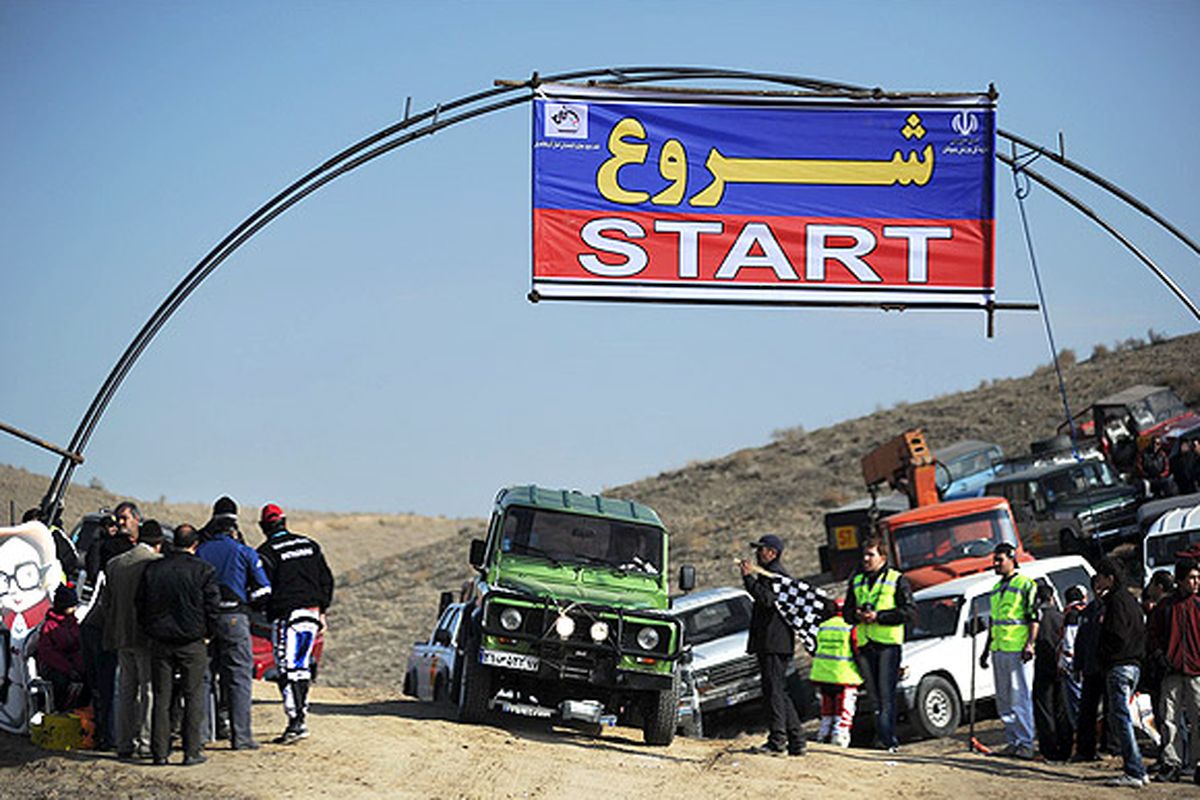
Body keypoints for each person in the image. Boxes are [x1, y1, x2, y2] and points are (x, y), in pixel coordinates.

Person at [137, 524, 221, 767]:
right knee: (193, 695)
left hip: (160, 641)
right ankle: (191, 751)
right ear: (195, 544)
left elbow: (140, 605)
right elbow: (212, 607)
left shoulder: (154, 569)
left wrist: (150, 630)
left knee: (162, 698)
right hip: (192, 642)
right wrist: (209, 634)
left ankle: (159, 753)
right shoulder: (204, 570)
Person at [196, 496, 271, 751]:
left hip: (205, 621)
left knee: (204, 677)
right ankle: (241, 737)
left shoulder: (201, 550)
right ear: (234, 527)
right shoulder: (244, 551)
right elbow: (264, 589)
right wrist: (248, 602)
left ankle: (202, 735)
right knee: (239, 677)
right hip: (235, 617)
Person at [256, 503, 334, 745]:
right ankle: (300, 717)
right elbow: (326, 580)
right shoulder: (309, 545)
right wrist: (322, 610)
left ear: (263, 527)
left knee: (287, 667)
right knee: (300, 665)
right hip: (311, 615)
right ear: (284, 522)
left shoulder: (267, 552)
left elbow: (262, 589)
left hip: (287, 616)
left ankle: (296, 720)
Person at [842, 536, 914, 753]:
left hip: (888, 645)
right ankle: (882, 738)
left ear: (882, 557)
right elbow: (846, 613)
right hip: (866, 645)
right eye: (864, 555)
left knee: (885, 695)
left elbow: (909, 612)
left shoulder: (896, 579)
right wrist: (857, 615)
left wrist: (879, 616)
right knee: (874, 697)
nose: (865, 559)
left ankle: (888, 740)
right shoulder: (856, 580)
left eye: (870, 555)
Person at [103, 518, 164, 760]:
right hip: (145, 637)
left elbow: (106, 603)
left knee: (126, 690)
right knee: (148, 690)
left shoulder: (115, 564)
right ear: (158, 543)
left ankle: (124, 742)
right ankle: (145, 742)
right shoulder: (155, 564)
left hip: (120, 635)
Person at [979, 542, 1038, 760]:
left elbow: (1033, 618)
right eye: (994, 560)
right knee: (1004, 699)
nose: (995, 564)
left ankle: (1025, 743)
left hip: (1017, 650)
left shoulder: (1025, 584)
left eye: (999, 560)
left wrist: (1030, 644)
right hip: (999, 649)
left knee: (1019, 697)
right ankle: (1013, 741)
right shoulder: (996, 589)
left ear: (1012, 559)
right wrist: (986, 651)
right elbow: (994, 622)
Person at [1094, 558, 1148, 788]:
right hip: (1133, 665)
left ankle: (1134, 770)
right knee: (1122, 719)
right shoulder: (1131, 601)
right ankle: (1136, 769)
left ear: (1110, 578)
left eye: (1100, 576)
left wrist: (1104, 655)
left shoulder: (1116, 603)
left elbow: (1117, 636)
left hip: (1120, 666)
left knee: (1122, 721)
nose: (1097, 580)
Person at [1147, 557, 1200, 784]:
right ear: (1180, 580)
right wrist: (1161, 657)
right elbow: (1152, 636)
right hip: (1172, 671)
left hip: (1197, 670)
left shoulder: (1198, 604)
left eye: (1198, 578)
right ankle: (1172, 762)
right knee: (1169, 718)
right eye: (1191, 578)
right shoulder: (1165, 607)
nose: (1196, 582)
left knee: (1199, 719)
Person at [810, 598, 861, 748]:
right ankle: (840, 735)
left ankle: (824, 734)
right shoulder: (850, 627)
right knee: (844, 708)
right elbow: (857, 650)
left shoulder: (823, 627)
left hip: (823, 675)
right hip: (844, 675)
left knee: (827, 708)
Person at [35, 584, 90, 711]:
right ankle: (58, 711)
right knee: (61, 681)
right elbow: (47, 653)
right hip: (55, 667)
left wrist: (79, 667)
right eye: (72, 606)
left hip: (73, 665)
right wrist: (68, 669)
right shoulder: (49, 626)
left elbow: (78, 647)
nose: (75, 608)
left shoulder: (73, 623)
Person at [1033, 582, 1071, 761]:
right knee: (1061, 708)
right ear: (1052, 597)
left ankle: (1049, 750)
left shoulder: (1036, 619)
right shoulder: (1061, 617)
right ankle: (1065, 748)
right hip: (1060, 668)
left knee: (1044, 709)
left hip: (1043, 666)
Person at [1073, 574, 1109, 762]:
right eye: (1096, 585)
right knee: (1087, 710)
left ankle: (1109, 747)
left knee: (1111, 710)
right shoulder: (1087, 612)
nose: (1099, 588)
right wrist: (1077, 665)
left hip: (1108, 668)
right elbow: (1080, 641)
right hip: (1089, 668)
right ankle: (1085, 750)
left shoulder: (1112, 609)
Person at [1058, 584, 1088, 730]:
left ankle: (1079, 731)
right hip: (1086, 661)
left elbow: (1069, 642)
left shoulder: (1071, 615)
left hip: (1073, 664)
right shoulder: (1086, 612)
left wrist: (1065, 662)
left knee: (1075, 700)